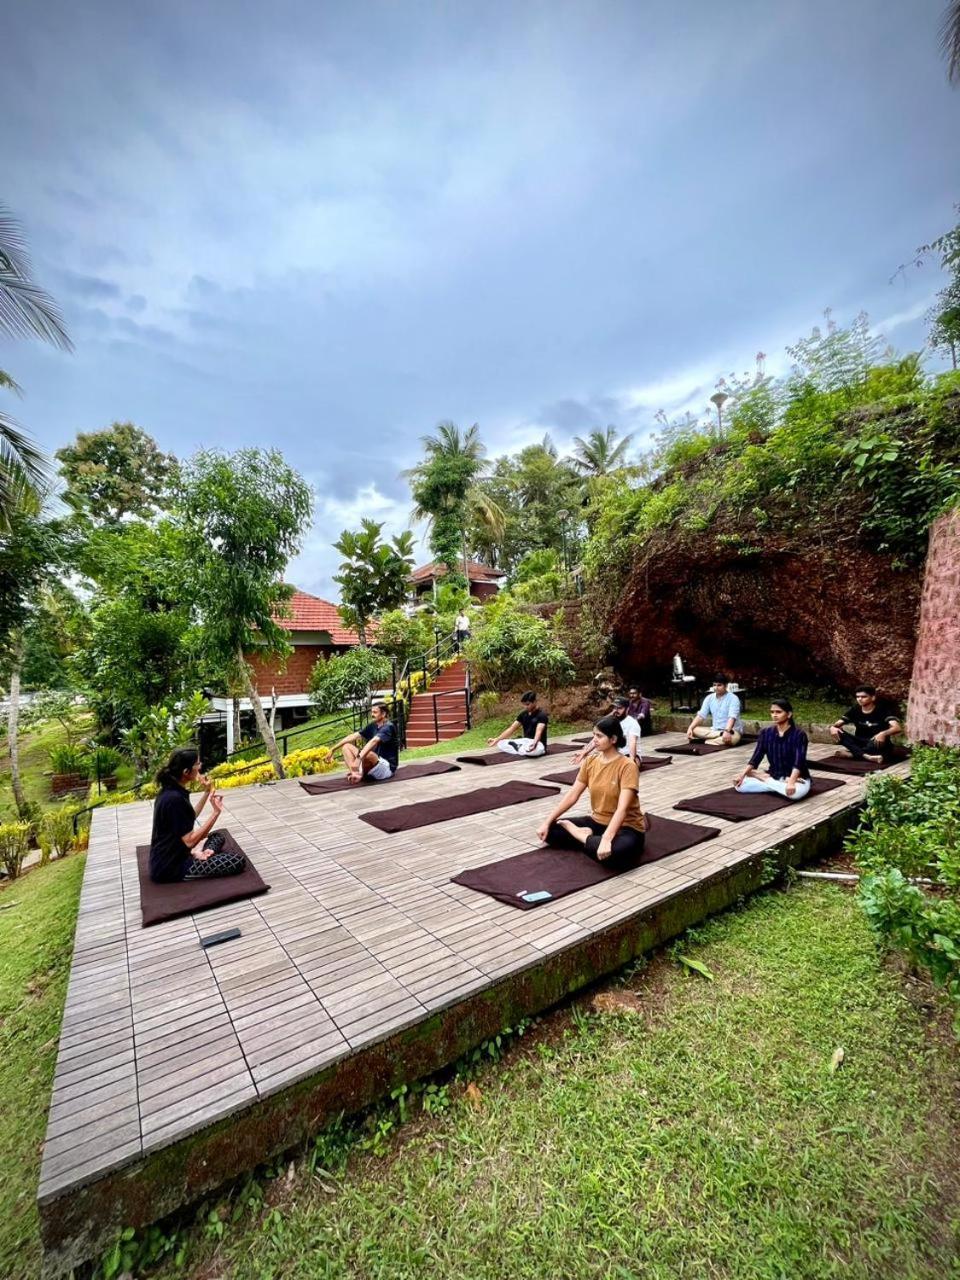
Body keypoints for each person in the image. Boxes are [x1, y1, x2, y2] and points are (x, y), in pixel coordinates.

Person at [536, 714, 648, 869]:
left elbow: (622, 809)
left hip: (627, 827)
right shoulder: (590, 761)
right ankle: (590, 839)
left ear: (613, 739)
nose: (594, 740)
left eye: (599, 736)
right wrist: (547, 821)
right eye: (594, 735)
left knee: (615, 854)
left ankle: (582, 836)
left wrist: (607, 839)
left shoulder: (627, 766)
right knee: (550, 831)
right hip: (597, 822)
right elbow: (572, 795)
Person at [149, 747, 244, 883]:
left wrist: (206, 792)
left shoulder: (173, 790)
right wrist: (216, 813)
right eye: (197, 764)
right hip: (171, 867)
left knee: (218, 836)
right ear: (186, 772)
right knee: (236, 861)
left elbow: (189, 816)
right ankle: (199, 854)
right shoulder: (174, 799)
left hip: (176, 853)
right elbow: (190, 841)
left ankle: (204, 853)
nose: (200, 767)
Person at [733, 698, 811, 800]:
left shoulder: (799, 734)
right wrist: (742, 775)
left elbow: (799, 761)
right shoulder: (765, 733)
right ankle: (776, 785)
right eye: (772, 712)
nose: (774, 715)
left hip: (798, 779)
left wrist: (791, 782)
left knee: (795, 794)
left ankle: (764, 779)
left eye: (778, 712)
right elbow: (756, 757)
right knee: (740, 786)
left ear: (789, 714)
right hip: (775, 775)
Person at [829, 686, 903, 763]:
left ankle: (853, 754)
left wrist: (883, 733)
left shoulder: (882, 710)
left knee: (875, 745)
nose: (860, 699)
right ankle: (867, 756)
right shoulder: (855, 710)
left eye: (864, 697)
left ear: (873, 697)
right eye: (857, 697)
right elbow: (838, 724)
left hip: (876, 742)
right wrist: (833, 728)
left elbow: (897, 728)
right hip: (860, 742)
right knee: (837, 732)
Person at [333, 701, 399, 783]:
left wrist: (358, 759)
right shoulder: (373, 725)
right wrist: (333, 749)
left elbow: (374, 741)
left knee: (368, 753)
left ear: (383, 714)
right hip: (373, 764)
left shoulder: (389, 727)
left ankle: (359, 774)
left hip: (387, 769)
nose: (372, 714)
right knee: (346, 747)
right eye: (371, 712)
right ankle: (355, 774)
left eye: (375, 712)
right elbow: (353, 736)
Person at [572, 696, 642, 766]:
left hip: (628, 755)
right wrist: (584, 752)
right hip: (612, 753)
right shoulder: (610, 721)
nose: (616, 710)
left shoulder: (633, 723)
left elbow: (633, 742)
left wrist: (632, 760)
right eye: (615, 708)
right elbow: (597, 738)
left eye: (620, 708)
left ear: (627, 709)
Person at [687, 675, 743, 746]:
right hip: (715, 730)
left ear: (725, 686)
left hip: (732, 731)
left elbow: (732, 717)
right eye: (714, 685)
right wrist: (690, 728)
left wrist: (727, 731)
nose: (716, 688)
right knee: (694, 730)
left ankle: (707, 741)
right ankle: (718, 737)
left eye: (719, 685)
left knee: (733, 739)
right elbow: (701, 716)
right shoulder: (709, 698)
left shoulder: (733, 698)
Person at [487, 690, 548, 756]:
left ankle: (519, 748)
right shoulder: (523, 714)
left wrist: (534, 744)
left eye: (527, 704)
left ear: (535, 702)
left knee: (534, 752)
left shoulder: (542, 715)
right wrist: (496, 739)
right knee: (501, 743)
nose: (525, 707)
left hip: (539, 744)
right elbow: (511, 728)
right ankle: (521, 748)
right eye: (524, 705)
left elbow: (538, 732)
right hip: (526, 741)